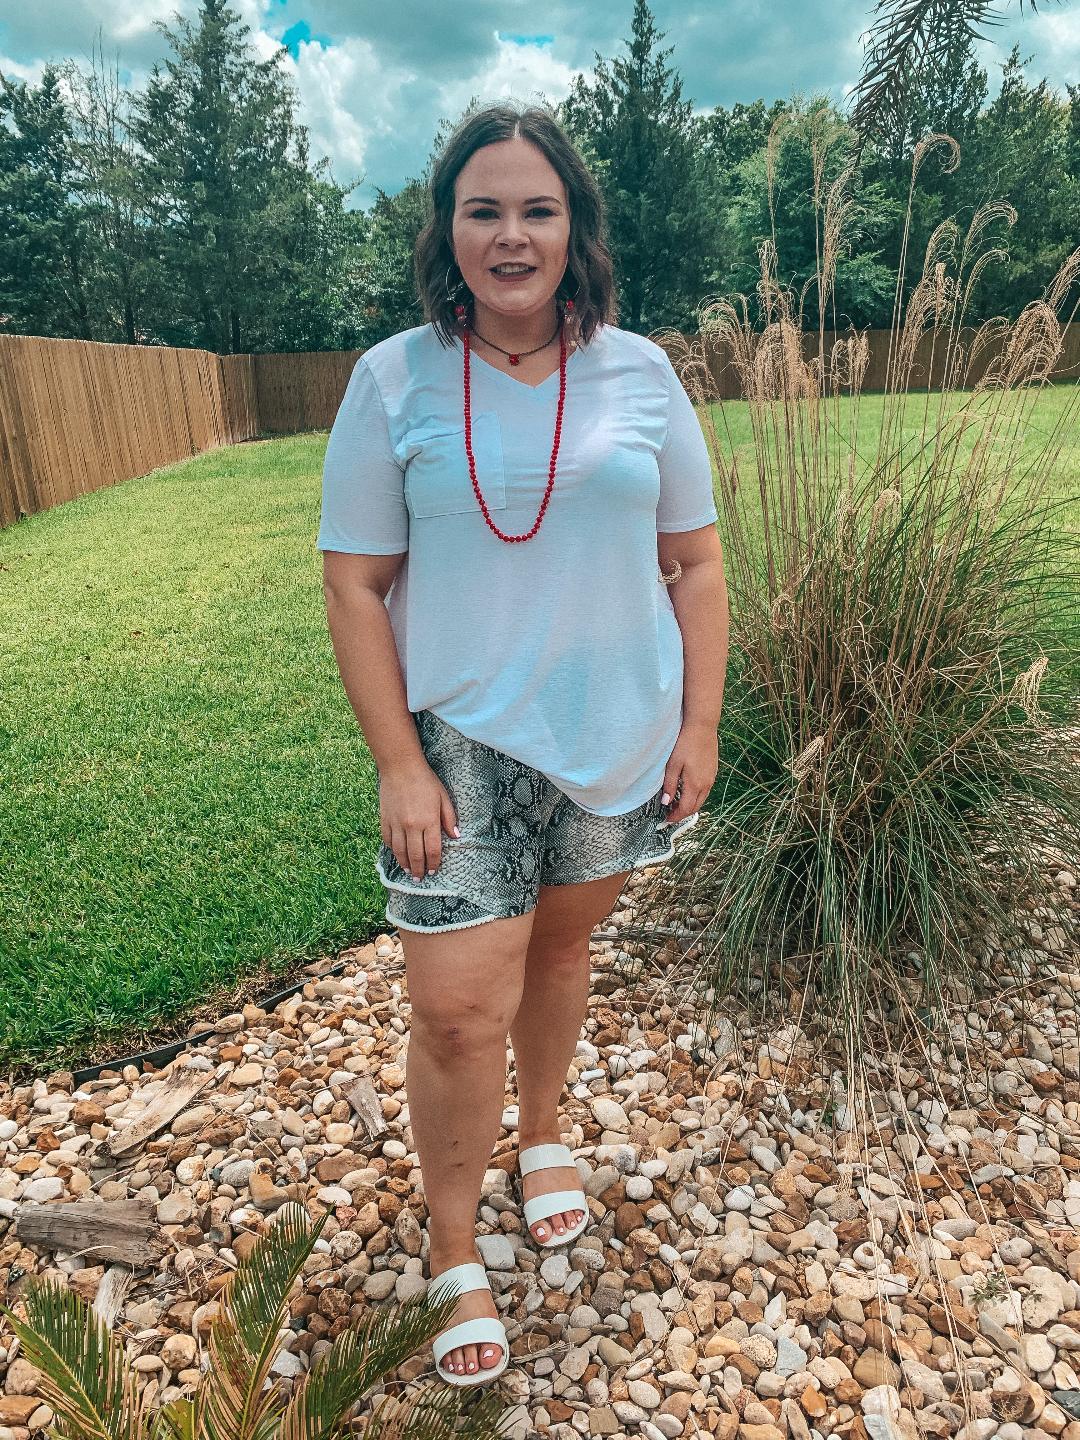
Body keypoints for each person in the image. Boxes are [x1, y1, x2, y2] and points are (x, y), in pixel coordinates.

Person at [317, 100, 729, 1388]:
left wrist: (700, 722)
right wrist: (399, 761)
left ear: (574, 229)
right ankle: (453, 1248)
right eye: (483, 209)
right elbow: (353, 582)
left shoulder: (642, 372)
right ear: (448, 231)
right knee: (453, 1012)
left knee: (560, 948)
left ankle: (541, 1134)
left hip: (617, 732)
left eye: (537, 210)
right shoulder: (392, 380)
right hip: (461, 745)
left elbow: (696, 561)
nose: (511, 235)